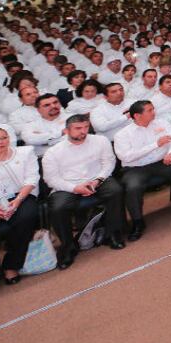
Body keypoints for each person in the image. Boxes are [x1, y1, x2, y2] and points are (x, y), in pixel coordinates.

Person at [42, 114, 126, 269]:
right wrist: (75, 188)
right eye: (78, 128)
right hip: (67, 186)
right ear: (66, 131)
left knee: (115, 190)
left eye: (86, 127)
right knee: (57, 208)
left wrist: (98, 180)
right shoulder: (53, 152)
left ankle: (112, 233)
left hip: (97, 179)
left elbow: (108, 162)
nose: (83, 131)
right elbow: (51, 179)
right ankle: (68, 247)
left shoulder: (100, 140)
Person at [113, 100, 171, 242]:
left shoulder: (162, 123)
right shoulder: (123, 134)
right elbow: (126, 156)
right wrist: (155, 144)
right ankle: (137, 222)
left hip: (161, 161)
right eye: (149, 110)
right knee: (133, 187)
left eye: (153, 109)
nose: (154, 112)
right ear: (137, 116)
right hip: (136, 168)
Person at [0, 126, 39, 292]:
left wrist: (17, 201)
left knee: (26, 217)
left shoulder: (25, 153)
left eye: (3, 138)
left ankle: (11, 265)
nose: (0, 142)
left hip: (20, 195)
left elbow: (32, 178)